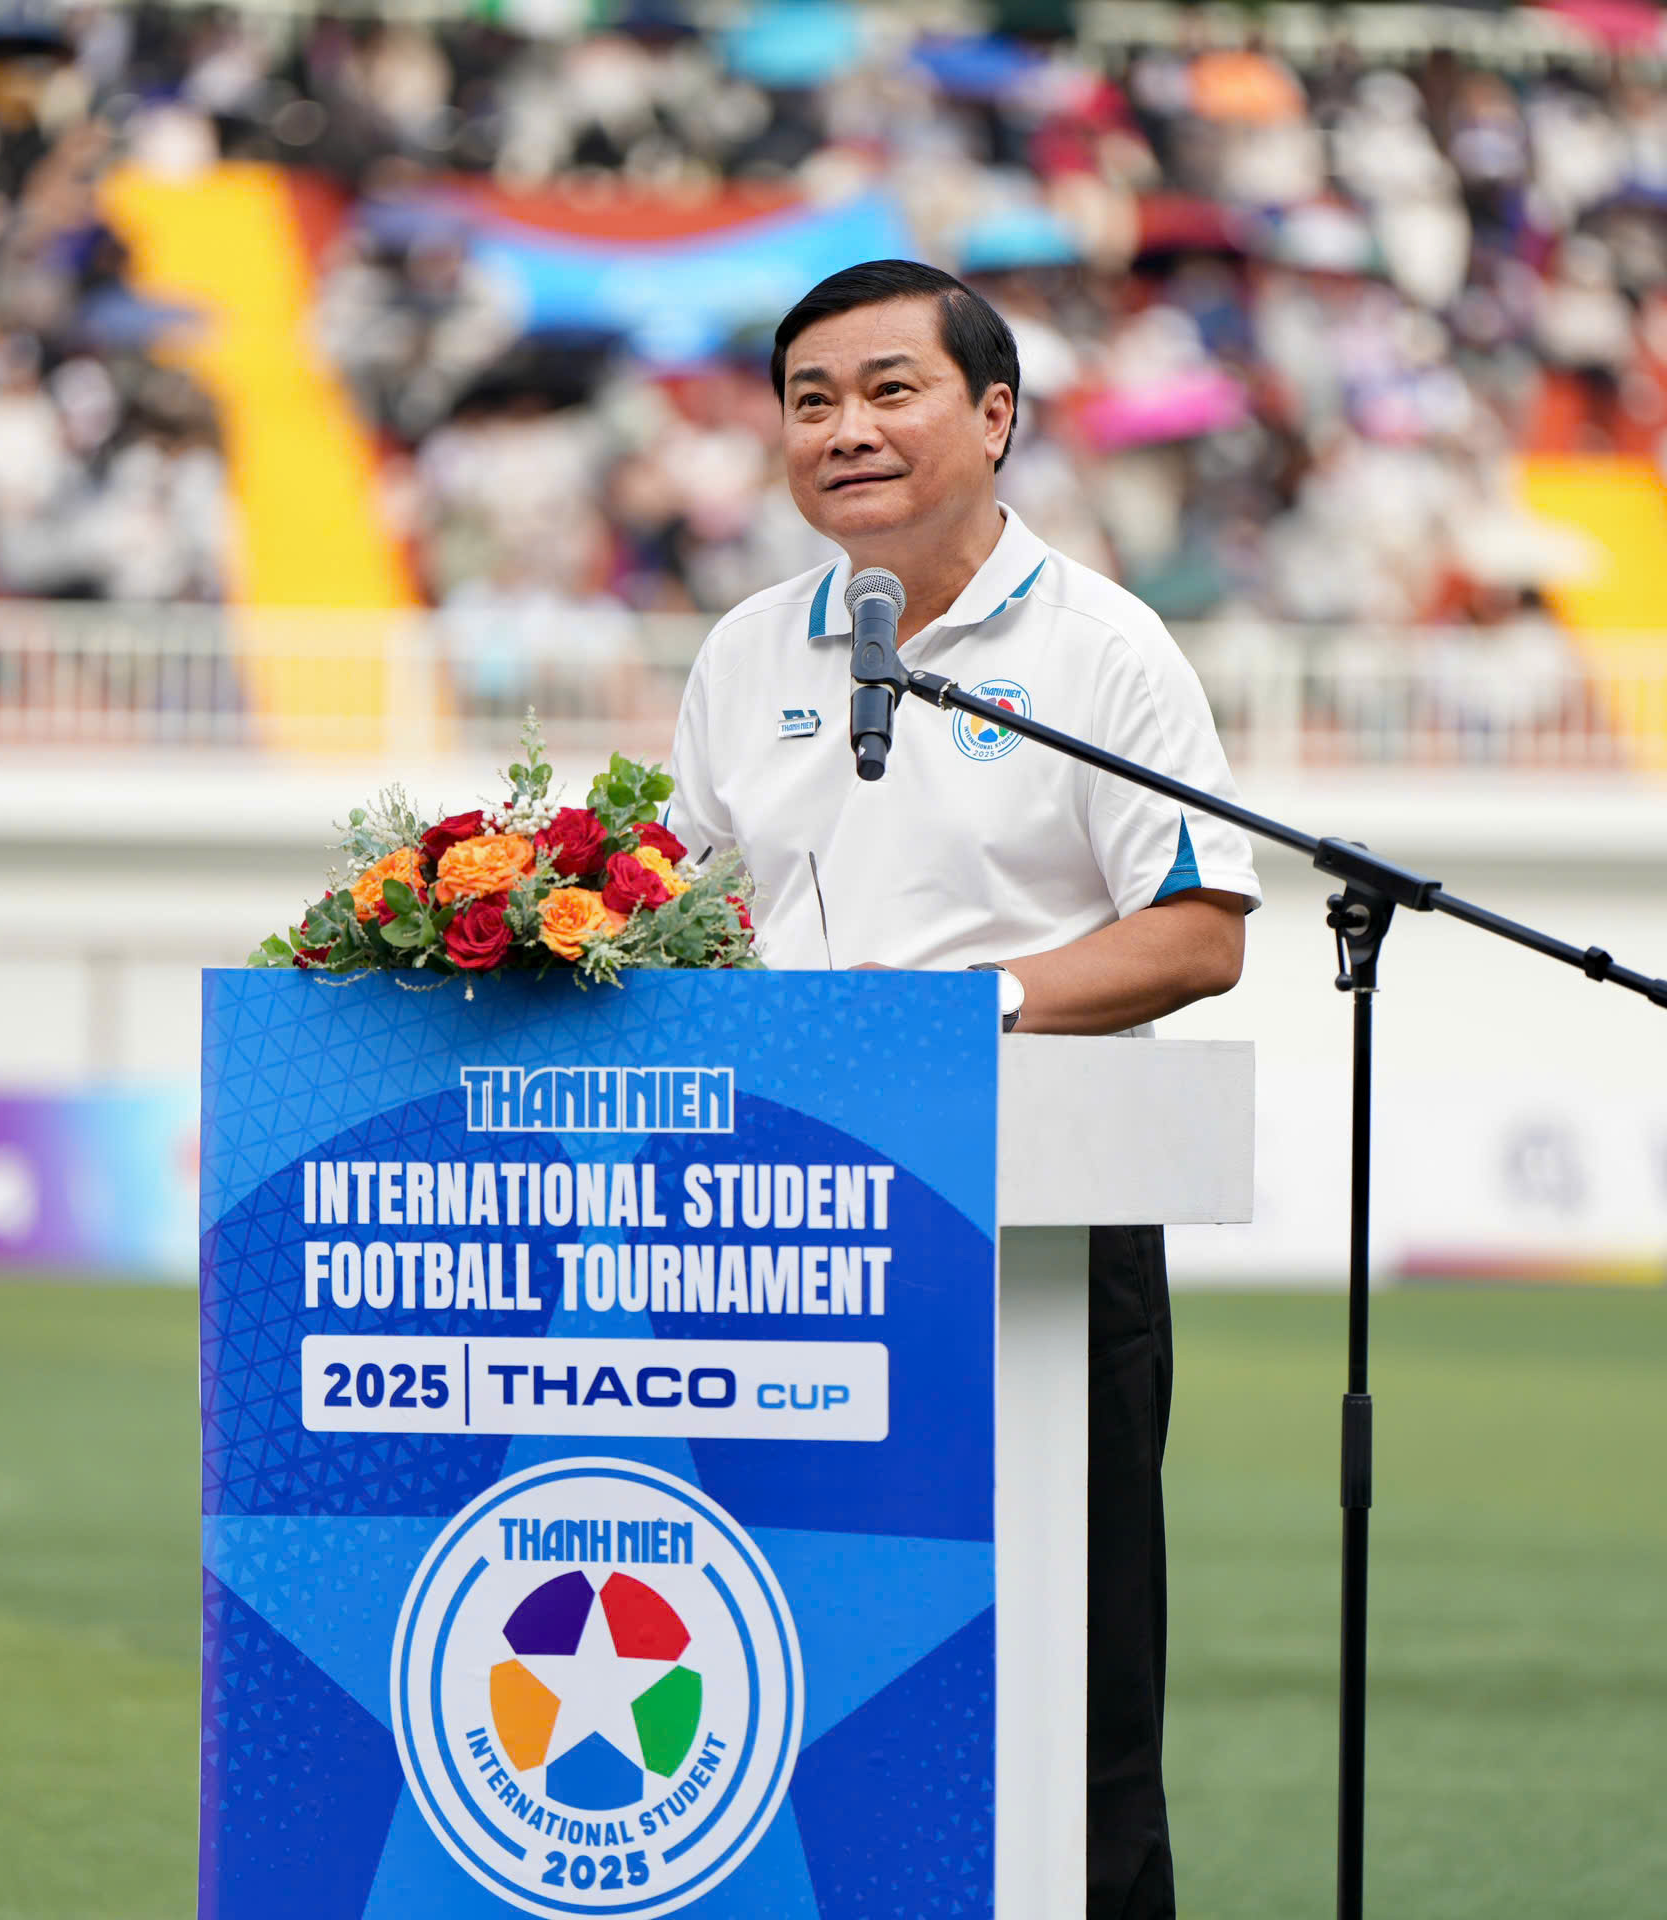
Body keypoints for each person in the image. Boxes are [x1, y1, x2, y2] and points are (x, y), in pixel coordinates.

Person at [664, 259, 1263, 1920]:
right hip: (782, 1224)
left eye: (888, 389)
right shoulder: (742, 652)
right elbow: (700, 913)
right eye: (810, 401)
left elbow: (1201, 932)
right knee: (782, 1650)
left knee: (1073, 1676)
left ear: (995, 418)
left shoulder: (1102, 648)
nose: (845, 430)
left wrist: (958, 1018)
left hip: (1035, 1218)